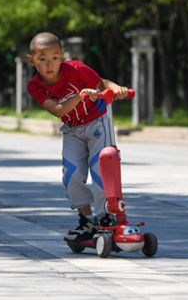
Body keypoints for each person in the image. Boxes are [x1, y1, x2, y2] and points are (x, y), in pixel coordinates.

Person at [25, 32, 129, 243]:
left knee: (102, 168)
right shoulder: (35, 86)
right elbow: (58, 110)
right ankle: (86, 220)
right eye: (42, 59)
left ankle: (106, 216)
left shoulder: (76, 69)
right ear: (31, 60)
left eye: (55, 57)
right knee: (70, 174)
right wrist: (80, 95)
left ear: (61, 57)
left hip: (97, 123)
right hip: (72, 129)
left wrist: (116, 88)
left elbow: (101, 84)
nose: (49, 64)